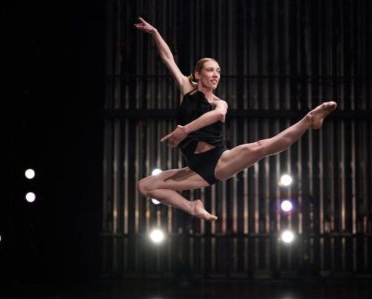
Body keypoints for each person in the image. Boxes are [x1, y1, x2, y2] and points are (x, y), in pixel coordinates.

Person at [134, 17, 337, 221]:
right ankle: (193, 207)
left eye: (219, 71)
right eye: (211, 70)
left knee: (260, 147)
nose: (216, 75)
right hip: (194, 168)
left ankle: (309, 120)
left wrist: (185, 129)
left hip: (217, 161)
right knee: (144, 186)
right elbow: (168, 58)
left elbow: (218, 115)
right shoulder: (187, 90)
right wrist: (155, 33)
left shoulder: (219, 103)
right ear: (197, 74)